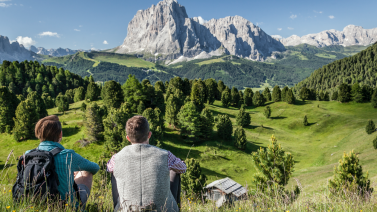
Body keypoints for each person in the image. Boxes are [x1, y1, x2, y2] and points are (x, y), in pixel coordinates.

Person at [107, 116, 187, 212]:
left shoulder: (116, 158)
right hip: (162, 209)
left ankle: (119, 208)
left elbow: (109, 168)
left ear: (128, 138)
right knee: (174, 172)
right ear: (149, 134)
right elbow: (183, 168)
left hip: (128, 209)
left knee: (114, 173)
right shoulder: (165, 155)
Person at [25, 115, 99, 208]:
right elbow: (95, 167)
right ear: (60, 134)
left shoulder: (28, 155)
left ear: (39, 134)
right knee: (86, 172)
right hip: (67, 207)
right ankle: (79, 207)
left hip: (36, 207)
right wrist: (72, 172)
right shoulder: (68, 155)